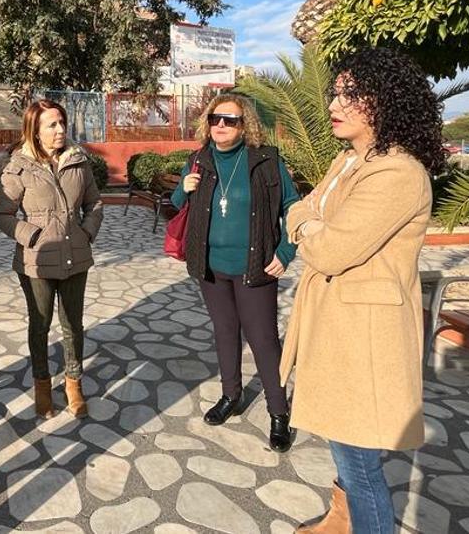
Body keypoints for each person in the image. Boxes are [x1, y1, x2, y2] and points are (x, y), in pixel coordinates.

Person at [283, 48, 446, 534]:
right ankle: (339, 520)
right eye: (336, 91)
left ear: (385, 101)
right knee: (342, 439)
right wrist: (310, 224)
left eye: (350, 94)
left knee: (361, 465)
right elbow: (297, 211)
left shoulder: (397, 172)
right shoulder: (348, 161)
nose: (335, 102)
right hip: (336, 324)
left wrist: (310, 227)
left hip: (364, 337)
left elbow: (330, 250)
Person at [171, 93, 299, 452]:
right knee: (224, 332)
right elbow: (175, 209)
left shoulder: (267, 161)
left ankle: (278, 412)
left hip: (255, 266)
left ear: (246, 126)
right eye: (215, 119)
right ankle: (231, 395)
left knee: (263, 340)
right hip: (211, 267)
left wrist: (286, 251)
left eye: (230, 120)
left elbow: (293, 206)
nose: (221, 126)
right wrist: (183, 190)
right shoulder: (198, 159)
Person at [0, 100, 104, 418]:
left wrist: (87, 232)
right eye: (51, 125)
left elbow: (94, 203)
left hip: (75, 257)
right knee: (39, 326)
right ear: (35, 131)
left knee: (73, 325)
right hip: (36, 262)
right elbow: (3, 214)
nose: (59, 130)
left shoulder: (79, 161)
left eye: (61, 123)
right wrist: (32, 236)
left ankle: (73, 383)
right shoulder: (18, 166)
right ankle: (42, 385)